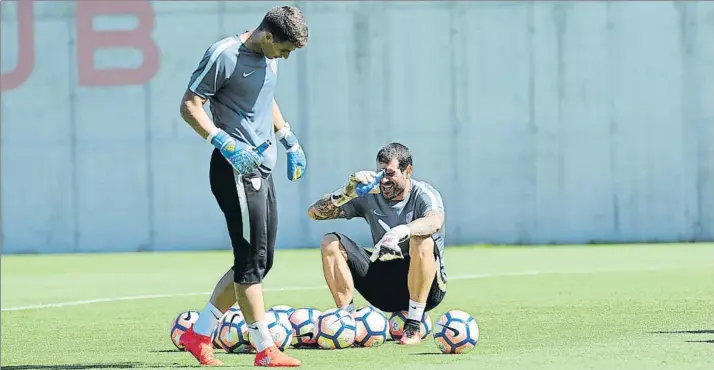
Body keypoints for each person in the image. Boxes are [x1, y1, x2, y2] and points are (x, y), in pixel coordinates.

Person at [177, 5, 308, 367]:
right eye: (284, 49)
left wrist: (288, 138)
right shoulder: (223, 55)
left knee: (262, 262)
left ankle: (199, 334)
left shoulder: (270, 55)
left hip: (261, 170)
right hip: (234, 170)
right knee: (249, 260)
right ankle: (265, 349)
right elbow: (189, 105)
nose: (285, 57)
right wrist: (223, 141)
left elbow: (263, 98)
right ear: (267, 36)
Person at [307, 142, 448, 345]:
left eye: (390, 174)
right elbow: (314, 213)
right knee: (330, 242)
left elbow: (435, 221)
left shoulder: (424, 194)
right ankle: (347, 324)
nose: (384, 181)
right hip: (385, 285)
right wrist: (343, 194)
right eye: (380, 173)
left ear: (408, 171)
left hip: (428, 290)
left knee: (422, 241)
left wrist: (401, 231)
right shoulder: (370, 194)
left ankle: (413, 325)